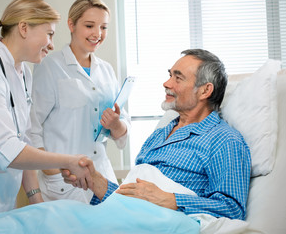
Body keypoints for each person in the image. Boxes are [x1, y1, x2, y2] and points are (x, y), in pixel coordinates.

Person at [0, 0, 94, 218]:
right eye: (49, 33)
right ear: (23, 28)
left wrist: (35, 200)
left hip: (2, 201)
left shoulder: (22, 73)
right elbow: (10, 151)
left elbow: (23, 140)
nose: (52, 44)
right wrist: (67, 160)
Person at [63, 49, 251, 220]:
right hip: (129, 218)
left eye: (178, 78)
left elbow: (231, 208)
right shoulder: (159, 135)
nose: (166, 83)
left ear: (205, 90)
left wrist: (170, 199)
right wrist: (95, 181)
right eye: (170, 75)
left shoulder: (224, 140)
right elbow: (133, 197)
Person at [29, 0, 131, 203]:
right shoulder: (49, 66)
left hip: (102, 175)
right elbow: (32, 128)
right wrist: (52, 173)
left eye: (104, 27)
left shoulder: (106, 70)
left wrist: (115, 123)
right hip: (65, 182)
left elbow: (121, 135)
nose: (98, 34)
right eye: (89, 26)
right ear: (71, 24)